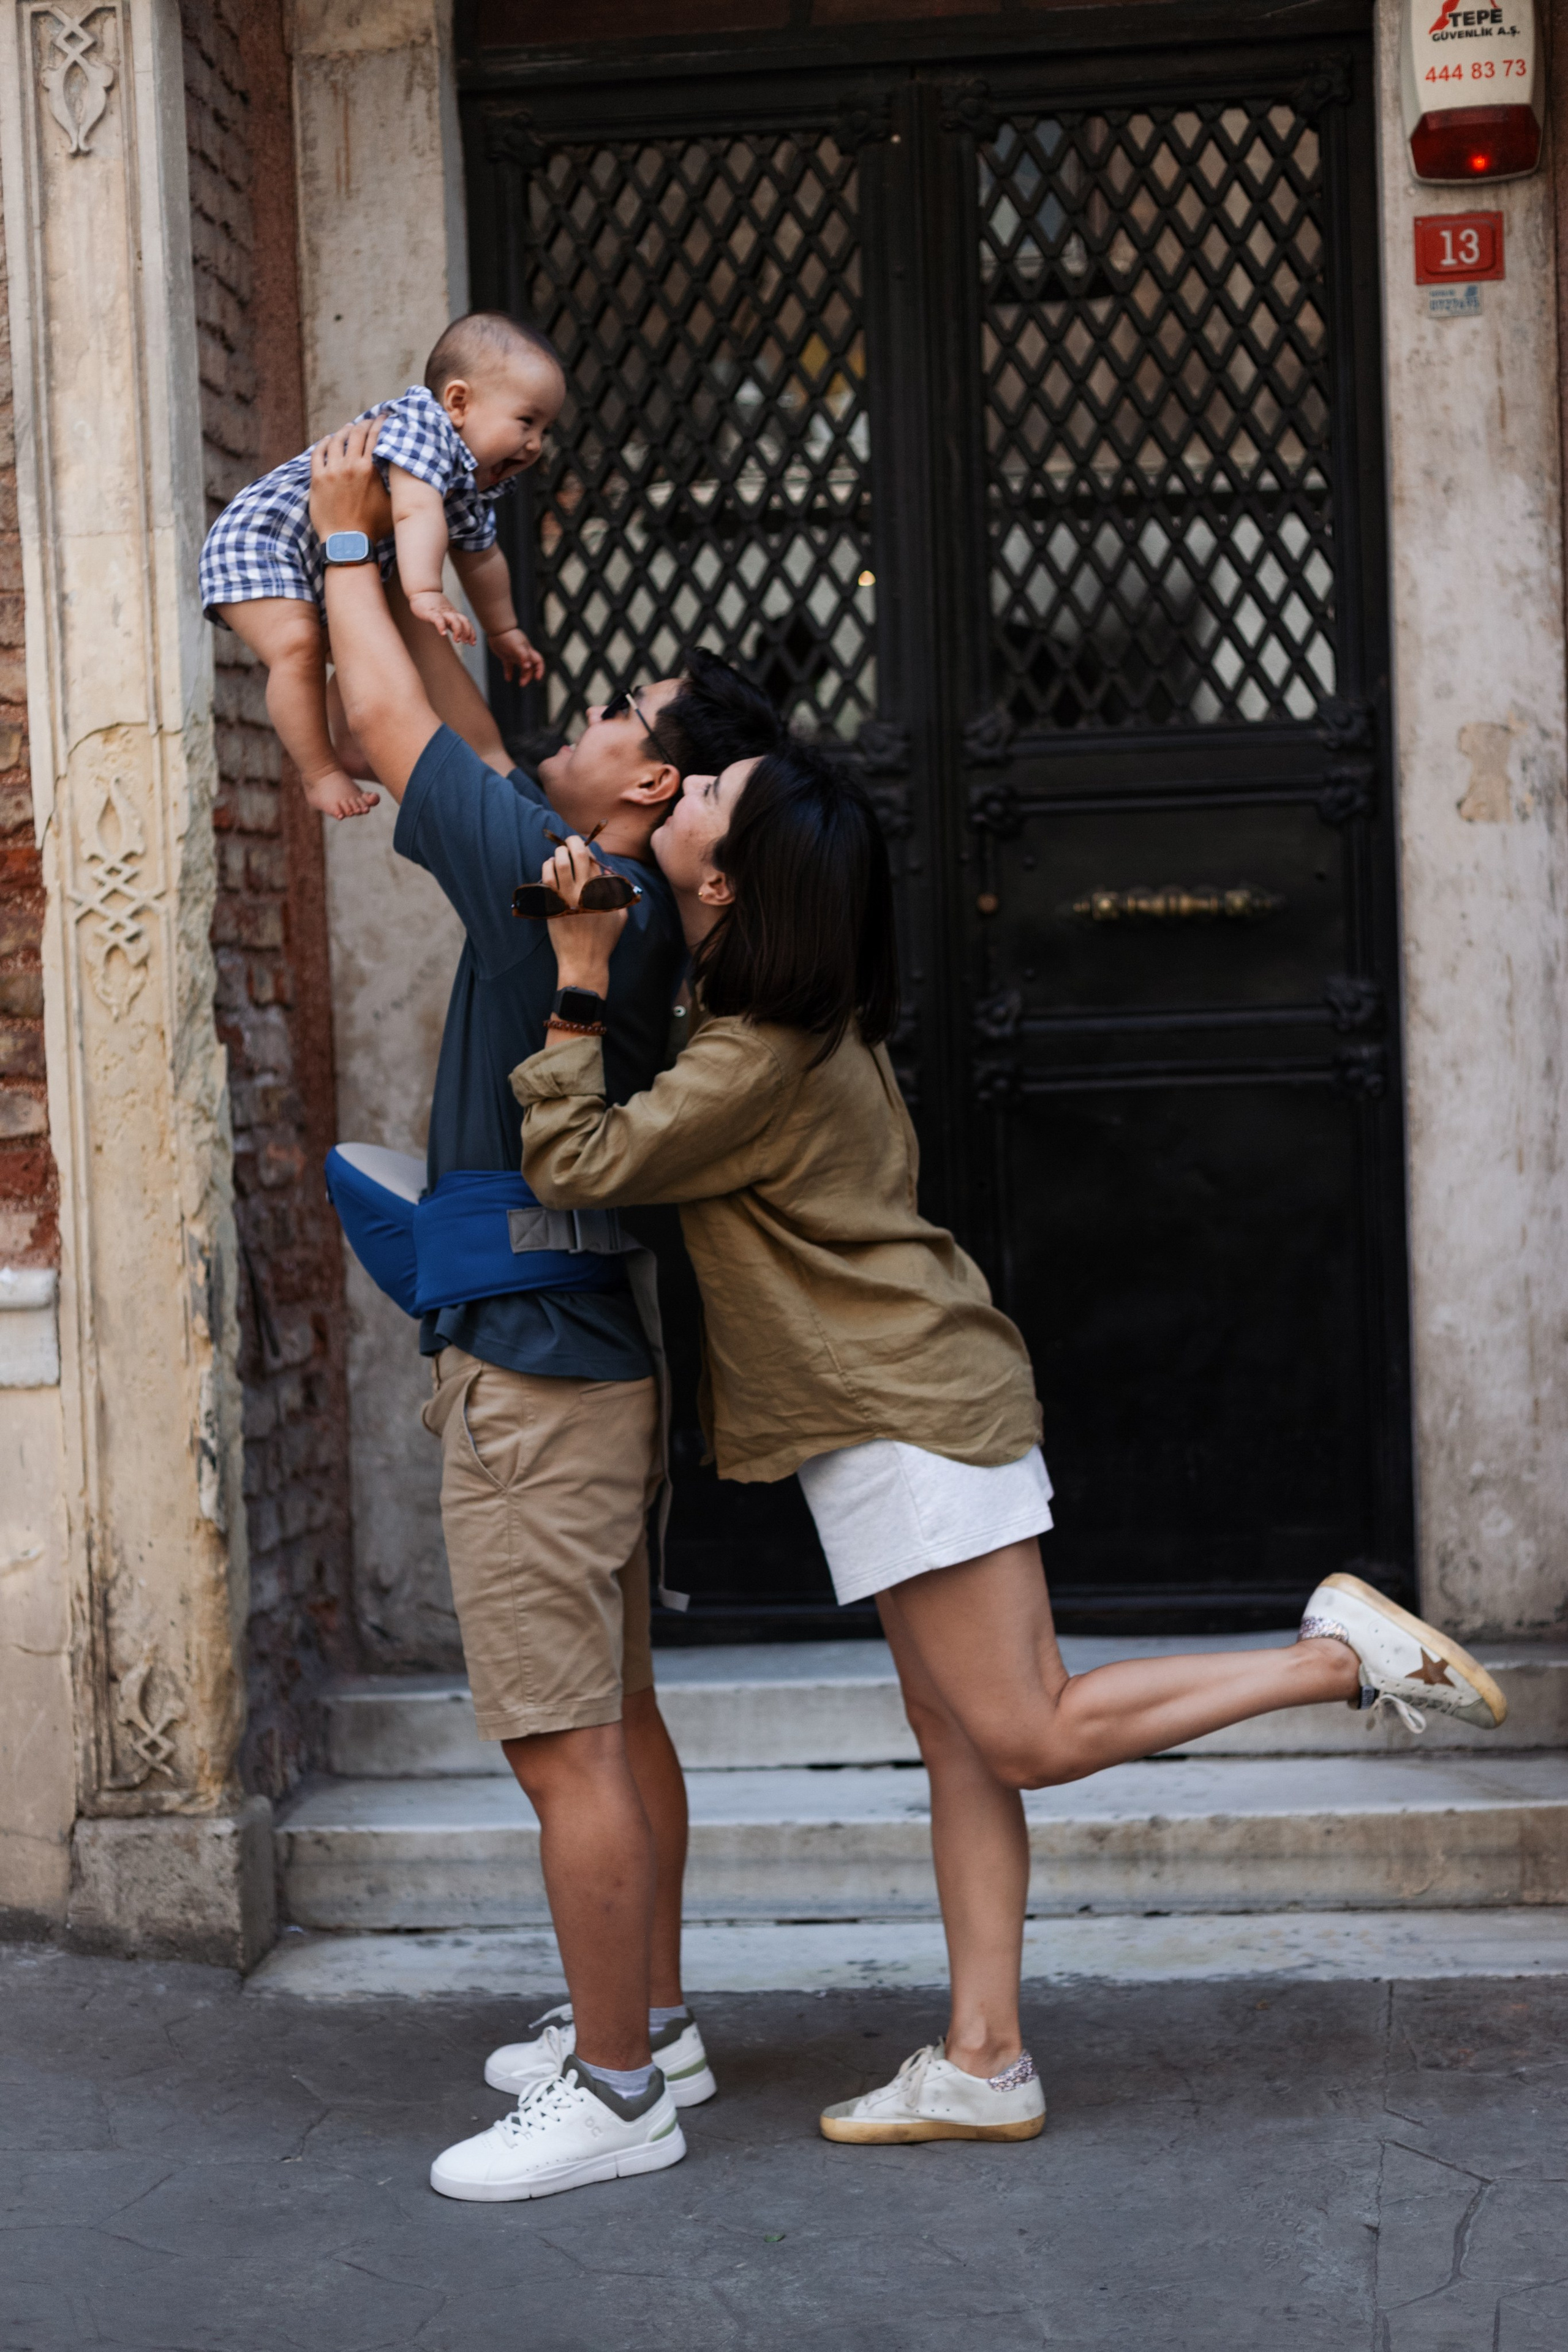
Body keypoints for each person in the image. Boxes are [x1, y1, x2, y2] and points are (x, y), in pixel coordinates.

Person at [511, 733, 1509, 2150]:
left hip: (907, 1412)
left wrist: (575, 981)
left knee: (1023, 1729)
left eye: (712, 793)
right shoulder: (772, 1021)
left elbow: (580, 1160)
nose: (682, 789)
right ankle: (984, 2060)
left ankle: (1332, 1654)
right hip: (895, 1412)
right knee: (960, 1744)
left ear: (730, 881)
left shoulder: (752, 1051)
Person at [306, 418, 783, 2203]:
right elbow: (480, 734)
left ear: (650, 791)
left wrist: (354, 540)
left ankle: (609, 2090)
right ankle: (647, 2021)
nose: (578, 724)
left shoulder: (549, 879)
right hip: (590, 1362)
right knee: (619, 1712)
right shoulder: (612, 898)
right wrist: (438, 583)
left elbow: (390, 724)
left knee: (560, 1736)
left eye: (617, 722)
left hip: (531, 1381)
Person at [202, 311, 559, 819]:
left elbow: (483, 559)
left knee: (360, 651)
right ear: (458, 402)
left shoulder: (470, 478)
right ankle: (319, 771)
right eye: (527, 421)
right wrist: (425, 592)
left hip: (320, 560)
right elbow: (416, 510)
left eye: (545, 429)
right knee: (298, 646)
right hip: (262, 544)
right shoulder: (423, 429)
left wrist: (504, 630)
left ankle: (352, 742)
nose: (535, 444)